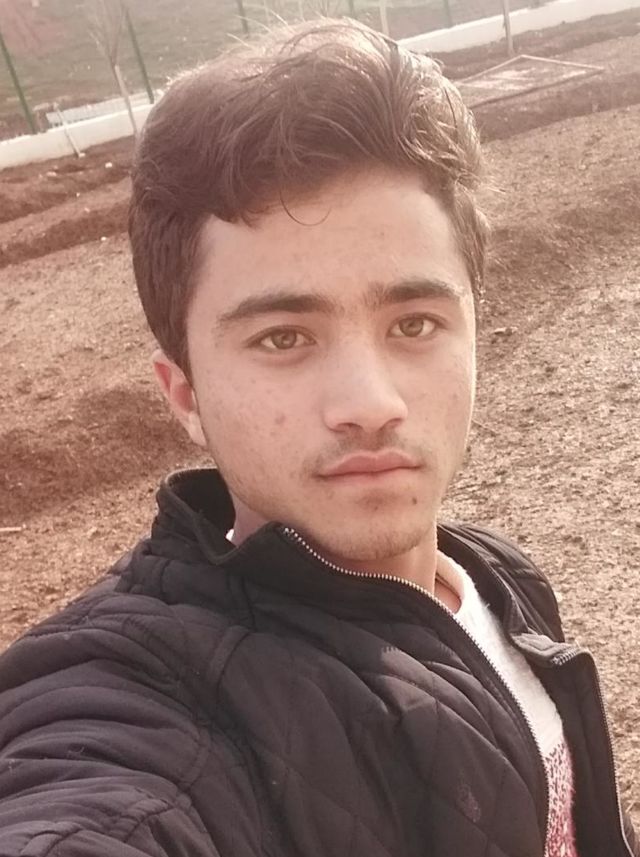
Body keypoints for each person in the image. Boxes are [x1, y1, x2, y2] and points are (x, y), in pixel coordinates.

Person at [0, 18, 636, 857]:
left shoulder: (494, 577)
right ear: (184, 393)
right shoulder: (145, 709)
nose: (370, 403)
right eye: (283, 338)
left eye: (414, 322)